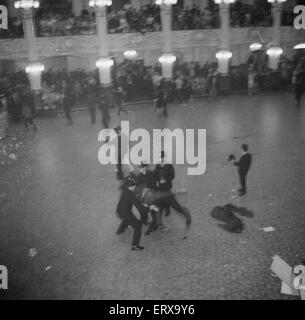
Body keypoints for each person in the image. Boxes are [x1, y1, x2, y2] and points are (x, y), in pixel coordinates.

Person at [116, 175, 149, 251]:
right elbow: (139, 207)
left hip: (119, 210)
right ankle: (134, 245)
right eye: (134, 186)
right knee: (138, 226)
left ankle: (120, 230)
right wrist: (147, 207)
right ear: (130, 186)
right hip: (125, 212)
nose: (135, 187)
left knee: (126, 219)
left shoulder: (125, 189)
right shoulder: (131, 195)